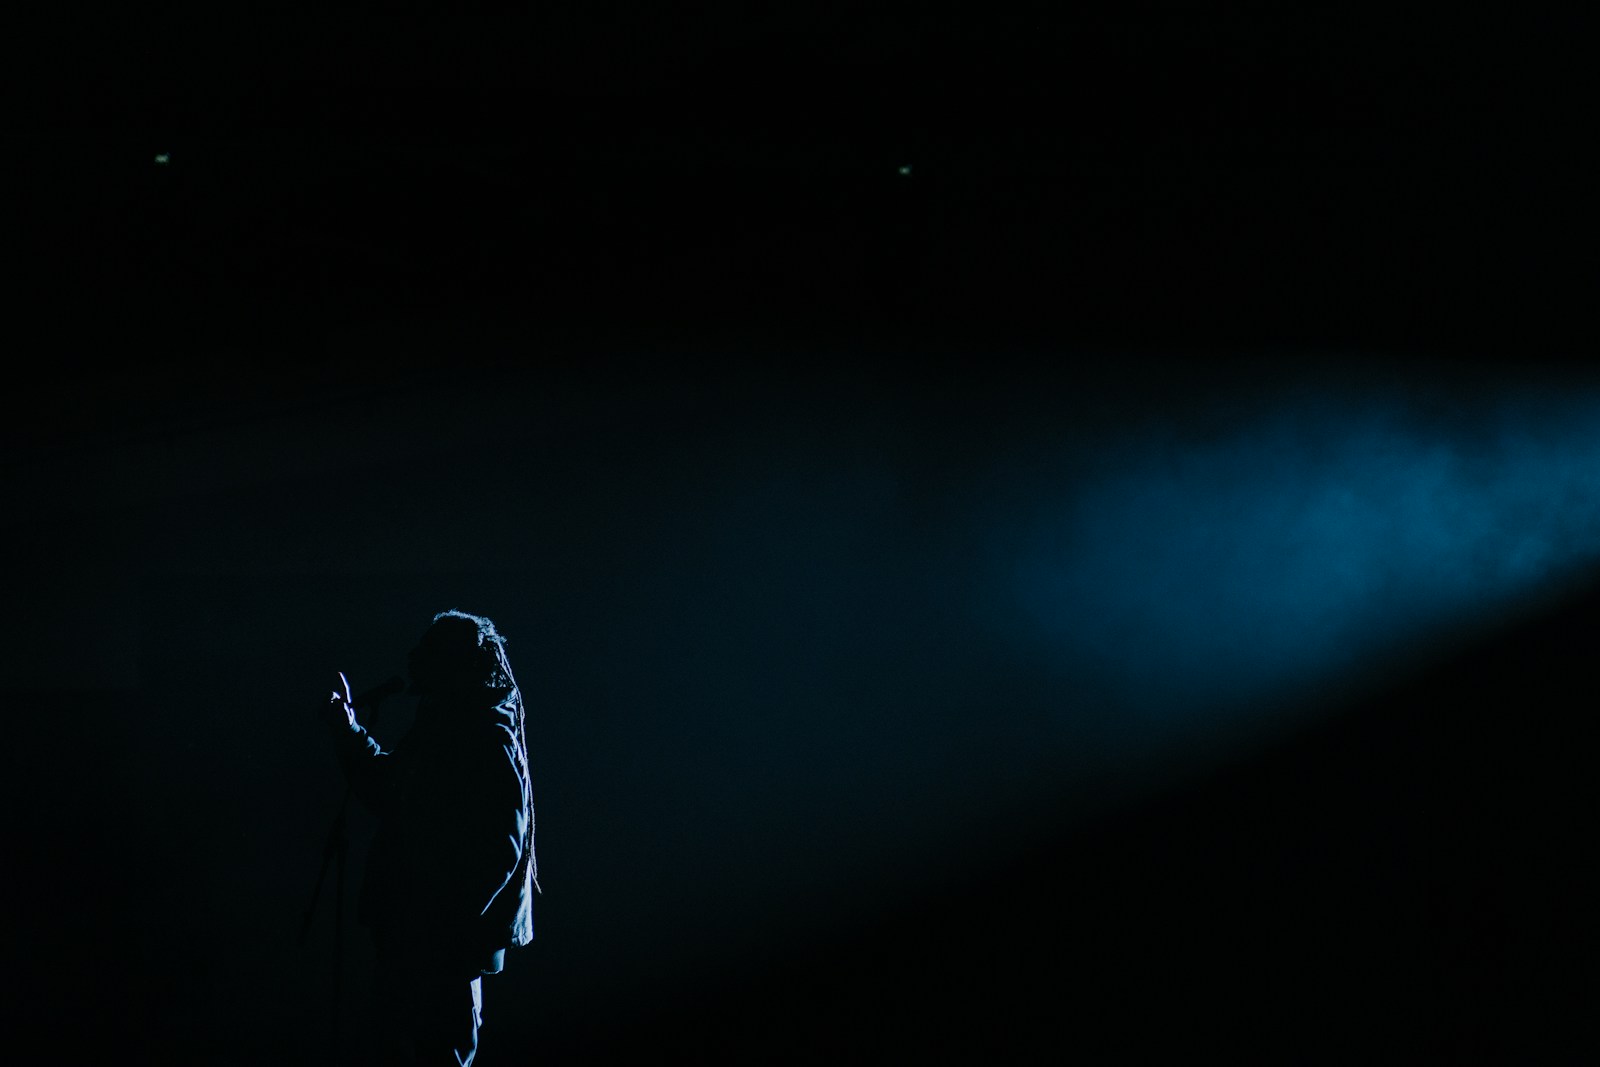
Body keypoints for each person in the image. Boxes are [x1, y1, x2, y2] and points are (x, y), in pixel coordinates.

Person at [323, 610, 539, 1065]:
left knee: (437, 1051)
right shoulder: (443, 724)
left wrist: (444, 922)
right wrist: (350, 733)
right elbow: (391, 790)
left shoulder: (482, 732)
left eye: (427, 650)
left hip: (440, 943)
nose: (413, 658)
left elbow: (504, 842)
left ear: (453, 661)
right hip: (416, 933)